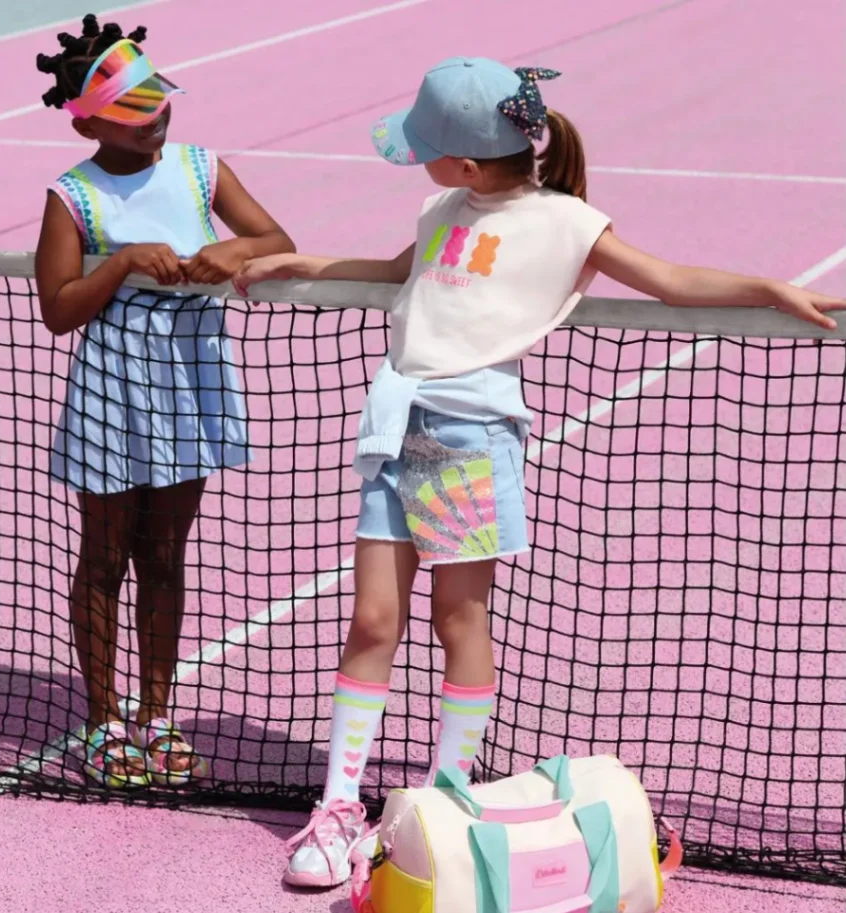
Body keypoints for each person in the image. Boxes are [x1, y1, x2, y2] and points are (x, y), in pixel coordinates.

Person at [235, 57, 843, 888]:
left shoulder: (567, 222)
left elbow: (669, 281)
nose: (420, 164)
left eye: (427, 151)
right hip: (394, 424)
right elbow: (400, 274)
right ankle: (339, 805)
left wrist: (772, 288)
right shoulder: (442, 207)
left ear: (469, 163)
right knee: (373, 618)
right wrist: (305, 265)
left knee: (458, 619)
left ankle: (445, 798)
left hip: (469, 439)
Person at [34, 14, 295, 789]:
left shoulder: (201, 169)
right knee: (105, 555)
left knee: (164, 555)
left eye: (157, 102)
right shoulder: (72, 195)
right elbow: (58, 308)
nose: (153, 119)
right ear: (87, 123)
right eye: (132, 112)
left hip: (191, 382)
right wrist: (120, 264)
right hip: (112, 386)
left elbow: (275, 239)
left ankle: (156, 713)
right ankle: (104, 719)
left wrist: (231, 249)